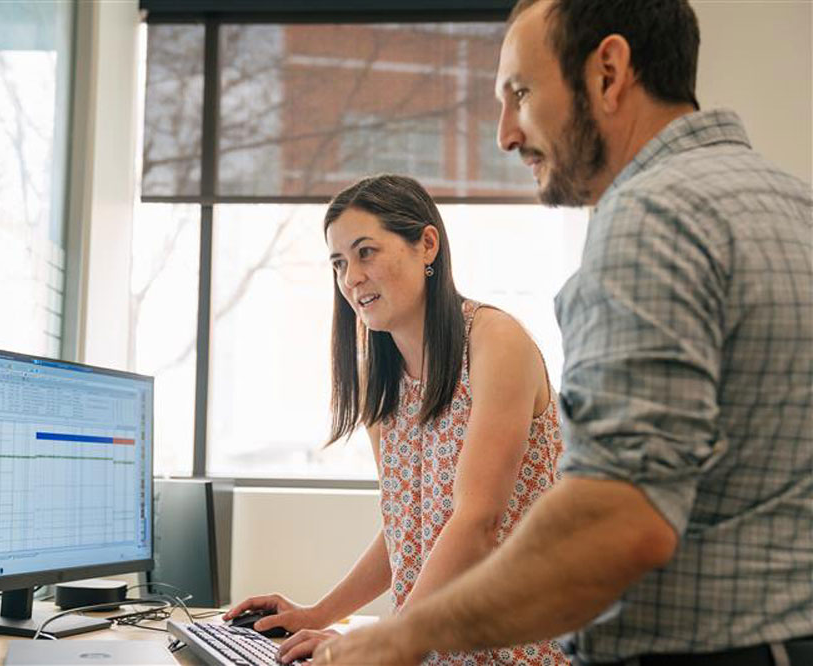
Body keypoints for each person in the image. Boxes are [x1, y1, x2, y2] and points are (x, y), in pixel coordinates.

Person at [311, 1, 813, 665]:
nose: (506, 135)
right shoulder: (792, 203)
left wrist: (406, 634)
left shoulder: (652, 218)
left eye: (520, 92)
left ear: (608, 72)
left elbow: (617, 519)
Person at [223, 173, 569, 666]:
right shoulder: (377, 379)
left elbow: (477, 520)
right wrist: (318, 612)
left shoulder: (496, 342)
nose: (351, 278)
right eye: (339, 263)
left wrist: (384, 639)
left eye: (366, 252)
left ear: (427, 245)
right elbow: (404, 527)